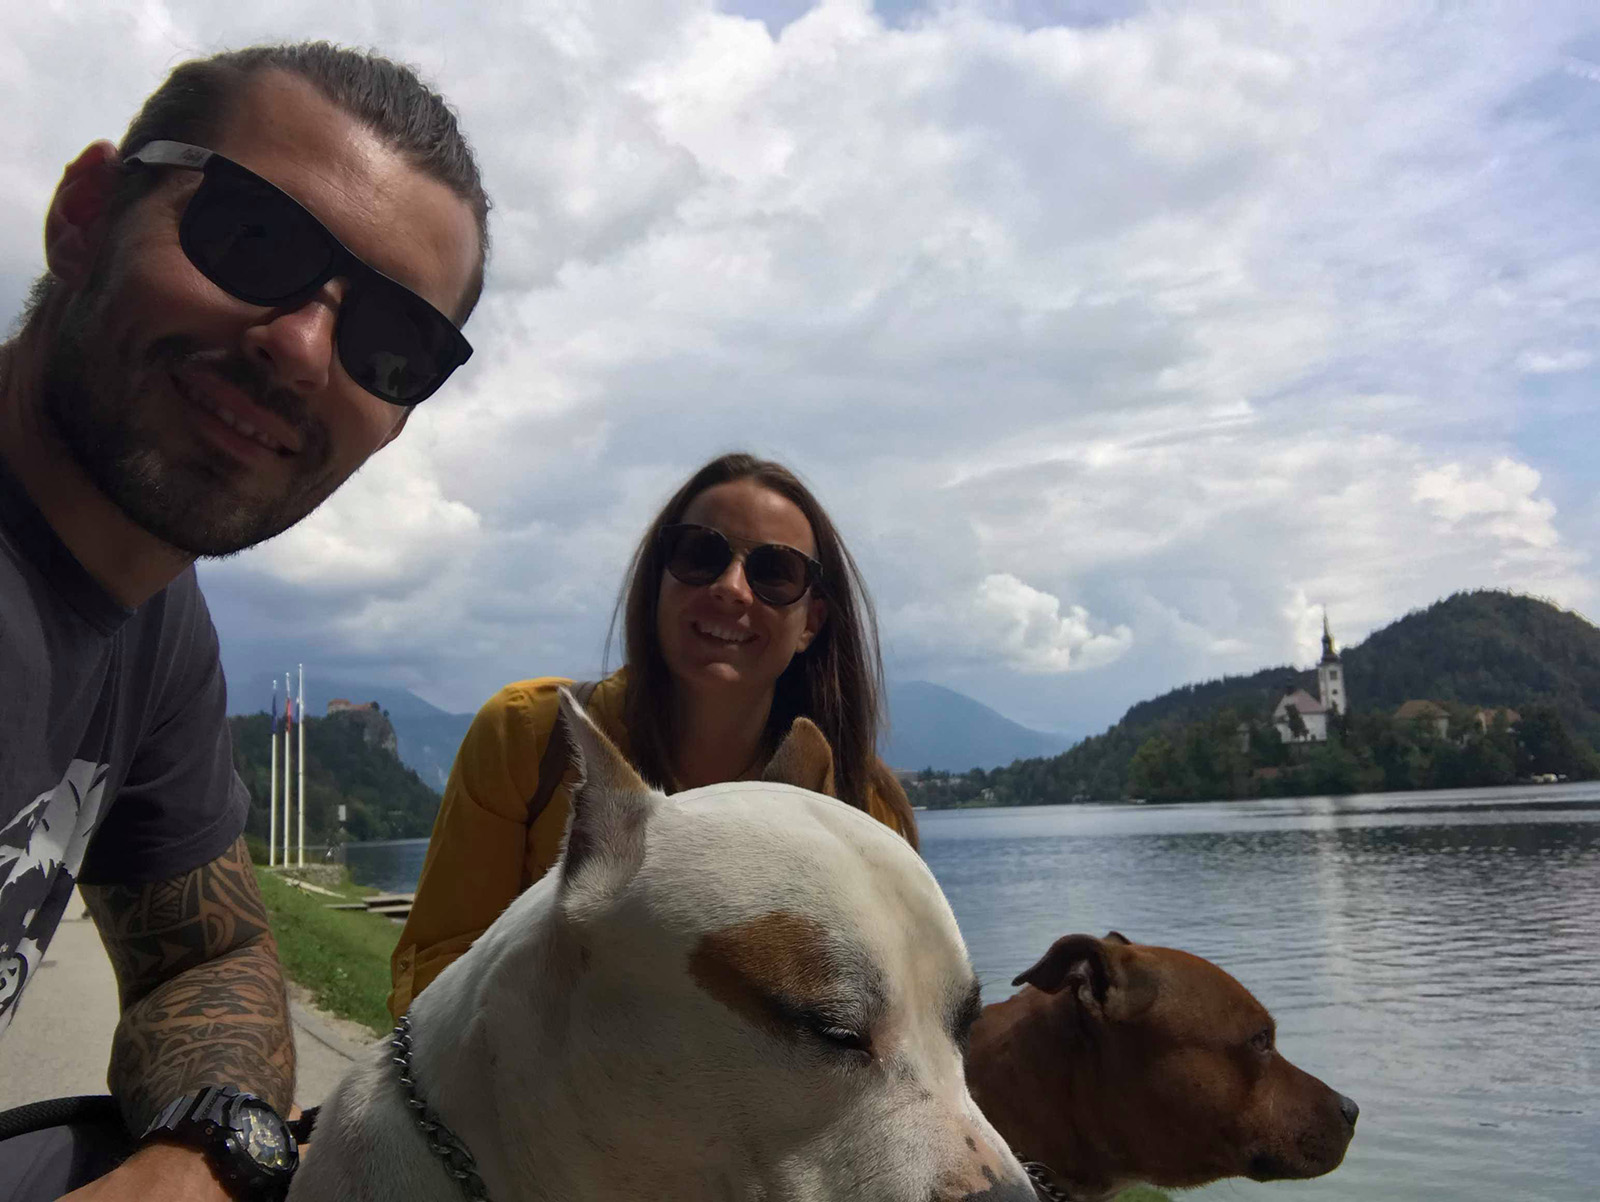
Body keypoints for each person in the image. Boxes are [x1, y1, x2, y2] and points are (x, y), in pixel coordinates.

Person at [0, 43, 488, 1202]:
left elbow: (207, 950)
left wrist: (208, 1154)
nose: (301, 347)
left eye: (389, 343)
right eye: (253, 240)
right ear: (84, 217)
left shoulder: (158, 625)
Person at [391, 453, 918, 1015]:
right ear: (657, 581)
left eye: (774, 574)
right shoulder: (527, 736)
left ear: (811, 622)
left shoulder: (865, 809)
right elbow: (438, 974)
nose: (732, 588)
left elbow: (899, 1018)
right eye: (700, 554)